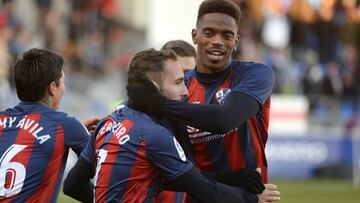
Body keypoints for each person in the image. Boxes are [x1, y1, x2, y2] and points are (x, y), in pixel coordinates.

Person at [63, 48, 272, 203]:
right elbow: (204, 192)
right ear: (154, 88)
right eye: (178, 82)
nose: (186, 91)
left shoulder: (108, 123)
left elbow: (72, 185)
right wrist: (251, 199)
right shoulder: (153, 135)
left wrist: (232, 178)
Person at [128, 0, 279, 202]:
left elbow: (225, 119)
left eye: (227, 35)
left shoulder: (255, 75)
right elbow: (168, 173)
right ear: (195, 35)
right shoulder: (180, 90)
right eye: (209, 33)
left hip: (253, 198)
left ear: (236, 41)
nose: (217, 41)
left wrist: (159, 104)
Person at [0, 48, 99, 202]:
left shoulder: (2, 120)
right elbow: (105, 166)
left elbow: (28, 135)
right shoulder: (65, 125)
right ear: (53, 88)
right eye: (63, 82)